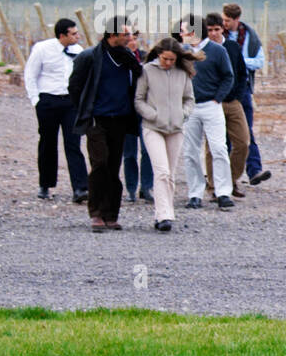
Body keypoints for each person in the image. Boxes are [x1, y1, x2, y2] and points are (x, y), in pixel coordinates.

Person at [68, 15, 143, 231]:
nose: (130, 37)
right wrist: (86, 111)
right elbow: (75, 87)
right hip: (97, 119)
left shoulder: (127, 57)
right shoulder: (90, 57)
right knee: (99, 164)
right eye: (125, 34)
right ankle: (97, 213)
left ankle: (112, 214)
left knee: (113, 166)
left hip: (120, 119)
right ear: (112, 35)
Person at [134, 37, 197, 232]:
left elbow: (189, 99)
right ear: (158, 55)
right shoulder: (147, 71)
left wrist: (183, 114)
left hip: (176, 129)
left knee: (169, 173)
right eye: (164, 59)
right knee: (161, 171)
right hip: (153, 127)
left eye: (171, 60)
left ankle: (165, 211)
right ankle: (164, 215)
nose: (168, 63)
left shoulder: (182, 73)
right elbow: (138, 99)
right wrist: (152, 115)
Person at [24, 18, 88, 203]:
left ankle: (80, 187)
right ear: (62, 35)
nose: (77, 36)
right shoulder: (42, 49)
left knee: (73, 143)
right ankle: (45, 184)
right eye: (73, 34)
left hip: (70, 102)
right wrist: (36, 100)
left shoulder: (78, 51)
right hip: (48, 100)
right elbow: (31, 74)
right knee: (48, 142)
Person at [178, 14, 235, 211]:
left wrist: (217, 98)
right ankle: (195, 193)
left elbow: (228, 76)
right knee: (190, 151)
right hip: (189, 107)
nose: (181, 33)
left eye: (184, 30)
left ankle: (223, 192)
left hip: (211, 105)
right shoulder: (182, 52)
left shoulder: (218, 51)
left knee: (219, 148)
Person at [201, 12, 251, 199]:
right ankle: (215, 186)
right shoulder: (202, 50)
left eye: (217, 29)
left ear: (223, 28)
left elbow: (241, 73)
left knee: (242, 142)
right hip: (212, 103)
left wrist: (237, 95)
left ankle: (230, 180)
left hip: (232, 102)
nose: (213, 33)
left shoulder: (232, 47)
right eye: (210, 30)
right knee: (214, 146)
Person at [222, 3, 270, 185]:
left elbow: (259, 61)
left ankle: (254, 170)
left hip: (242, 89)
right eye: (223, 19)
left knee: (246, 131)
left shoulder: (250, 37)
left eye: (227, 20)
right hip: (222, 89)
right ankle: (221, 175)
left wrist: (239, 62)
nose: (224, 23)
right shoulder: (218, 35)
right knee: (222, 134)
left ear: (236, 19)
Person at [121, 29, 154, 204]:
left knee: (148, 149)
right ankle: (131, 188)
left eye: (134, 38)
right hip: (126, 110)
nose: (132, 42)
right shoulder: (119, 58)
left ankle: (147, 187)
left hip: (145, 108)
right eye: (129, 38)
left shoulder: (146, 57)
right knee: (129, 152)